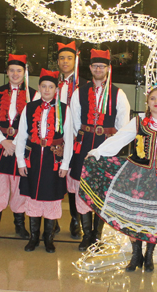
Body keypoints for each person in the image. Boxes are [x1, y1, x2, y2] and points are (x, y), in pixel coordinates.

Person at [81, 84, 157, 272]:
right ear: (147, 102)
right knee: (132, 214)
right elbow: (120, 139)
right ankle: (136, 254)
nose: (156, 102)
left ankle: (149, 255)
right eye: (153, 99)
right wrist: (98, 152)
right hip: (137, 175)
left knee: (154, 218)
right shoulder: (139, 121)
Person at [70, 49, 131, 250]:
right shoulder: (79, 92)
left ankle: (98, 235)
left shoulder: (118, 94)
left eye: (102, 66)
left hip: (107, 146)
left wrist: (113, 148)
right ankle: (86, 234)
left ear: (108, 68)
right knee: (82, 187)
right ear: (90, 68)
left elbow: (124, 127)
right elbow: (74, 122)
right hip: (84, 144)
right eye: (95, 66)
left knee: (102, 189)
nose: (98, 69)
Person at [14, 69, 73, 253]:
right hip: (33, 160)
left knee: (51, 197)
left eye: (51, 87)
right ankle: (33, 238)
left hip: (53, 159)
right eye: (44, 86)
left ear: (56, 89)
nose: (47, 90)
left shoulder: (64, 109)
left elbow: (69, 139)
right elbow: (22, 135)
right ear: (39, 88)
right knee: (33, 197)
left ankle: (48, 238)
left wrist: (65, 164)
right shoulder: (29, 107)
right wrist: (21, 162)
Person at [0, 54, 37, 245]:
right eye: (11, 70)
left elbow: (34, 125)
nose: (15, 74)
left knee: (20, 188)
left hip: (21, 148)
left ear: (24, 73)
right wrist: (4, 141)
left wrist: (16, 144)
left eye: (19, 71)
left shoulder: (33, 94)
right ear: (7, 72)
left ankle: (20, 226)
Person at [56, 40, 87, 239]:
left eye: (69, 58)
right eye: (61, 58)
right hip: (54, 139)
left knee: (74, 181)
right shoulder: (50, 82)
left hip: (76, 139)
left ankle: (75, 220)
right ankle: (52, 219)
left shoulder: (84, 85)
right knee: (54, 179)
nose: (65, 61)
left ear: (76, 60)